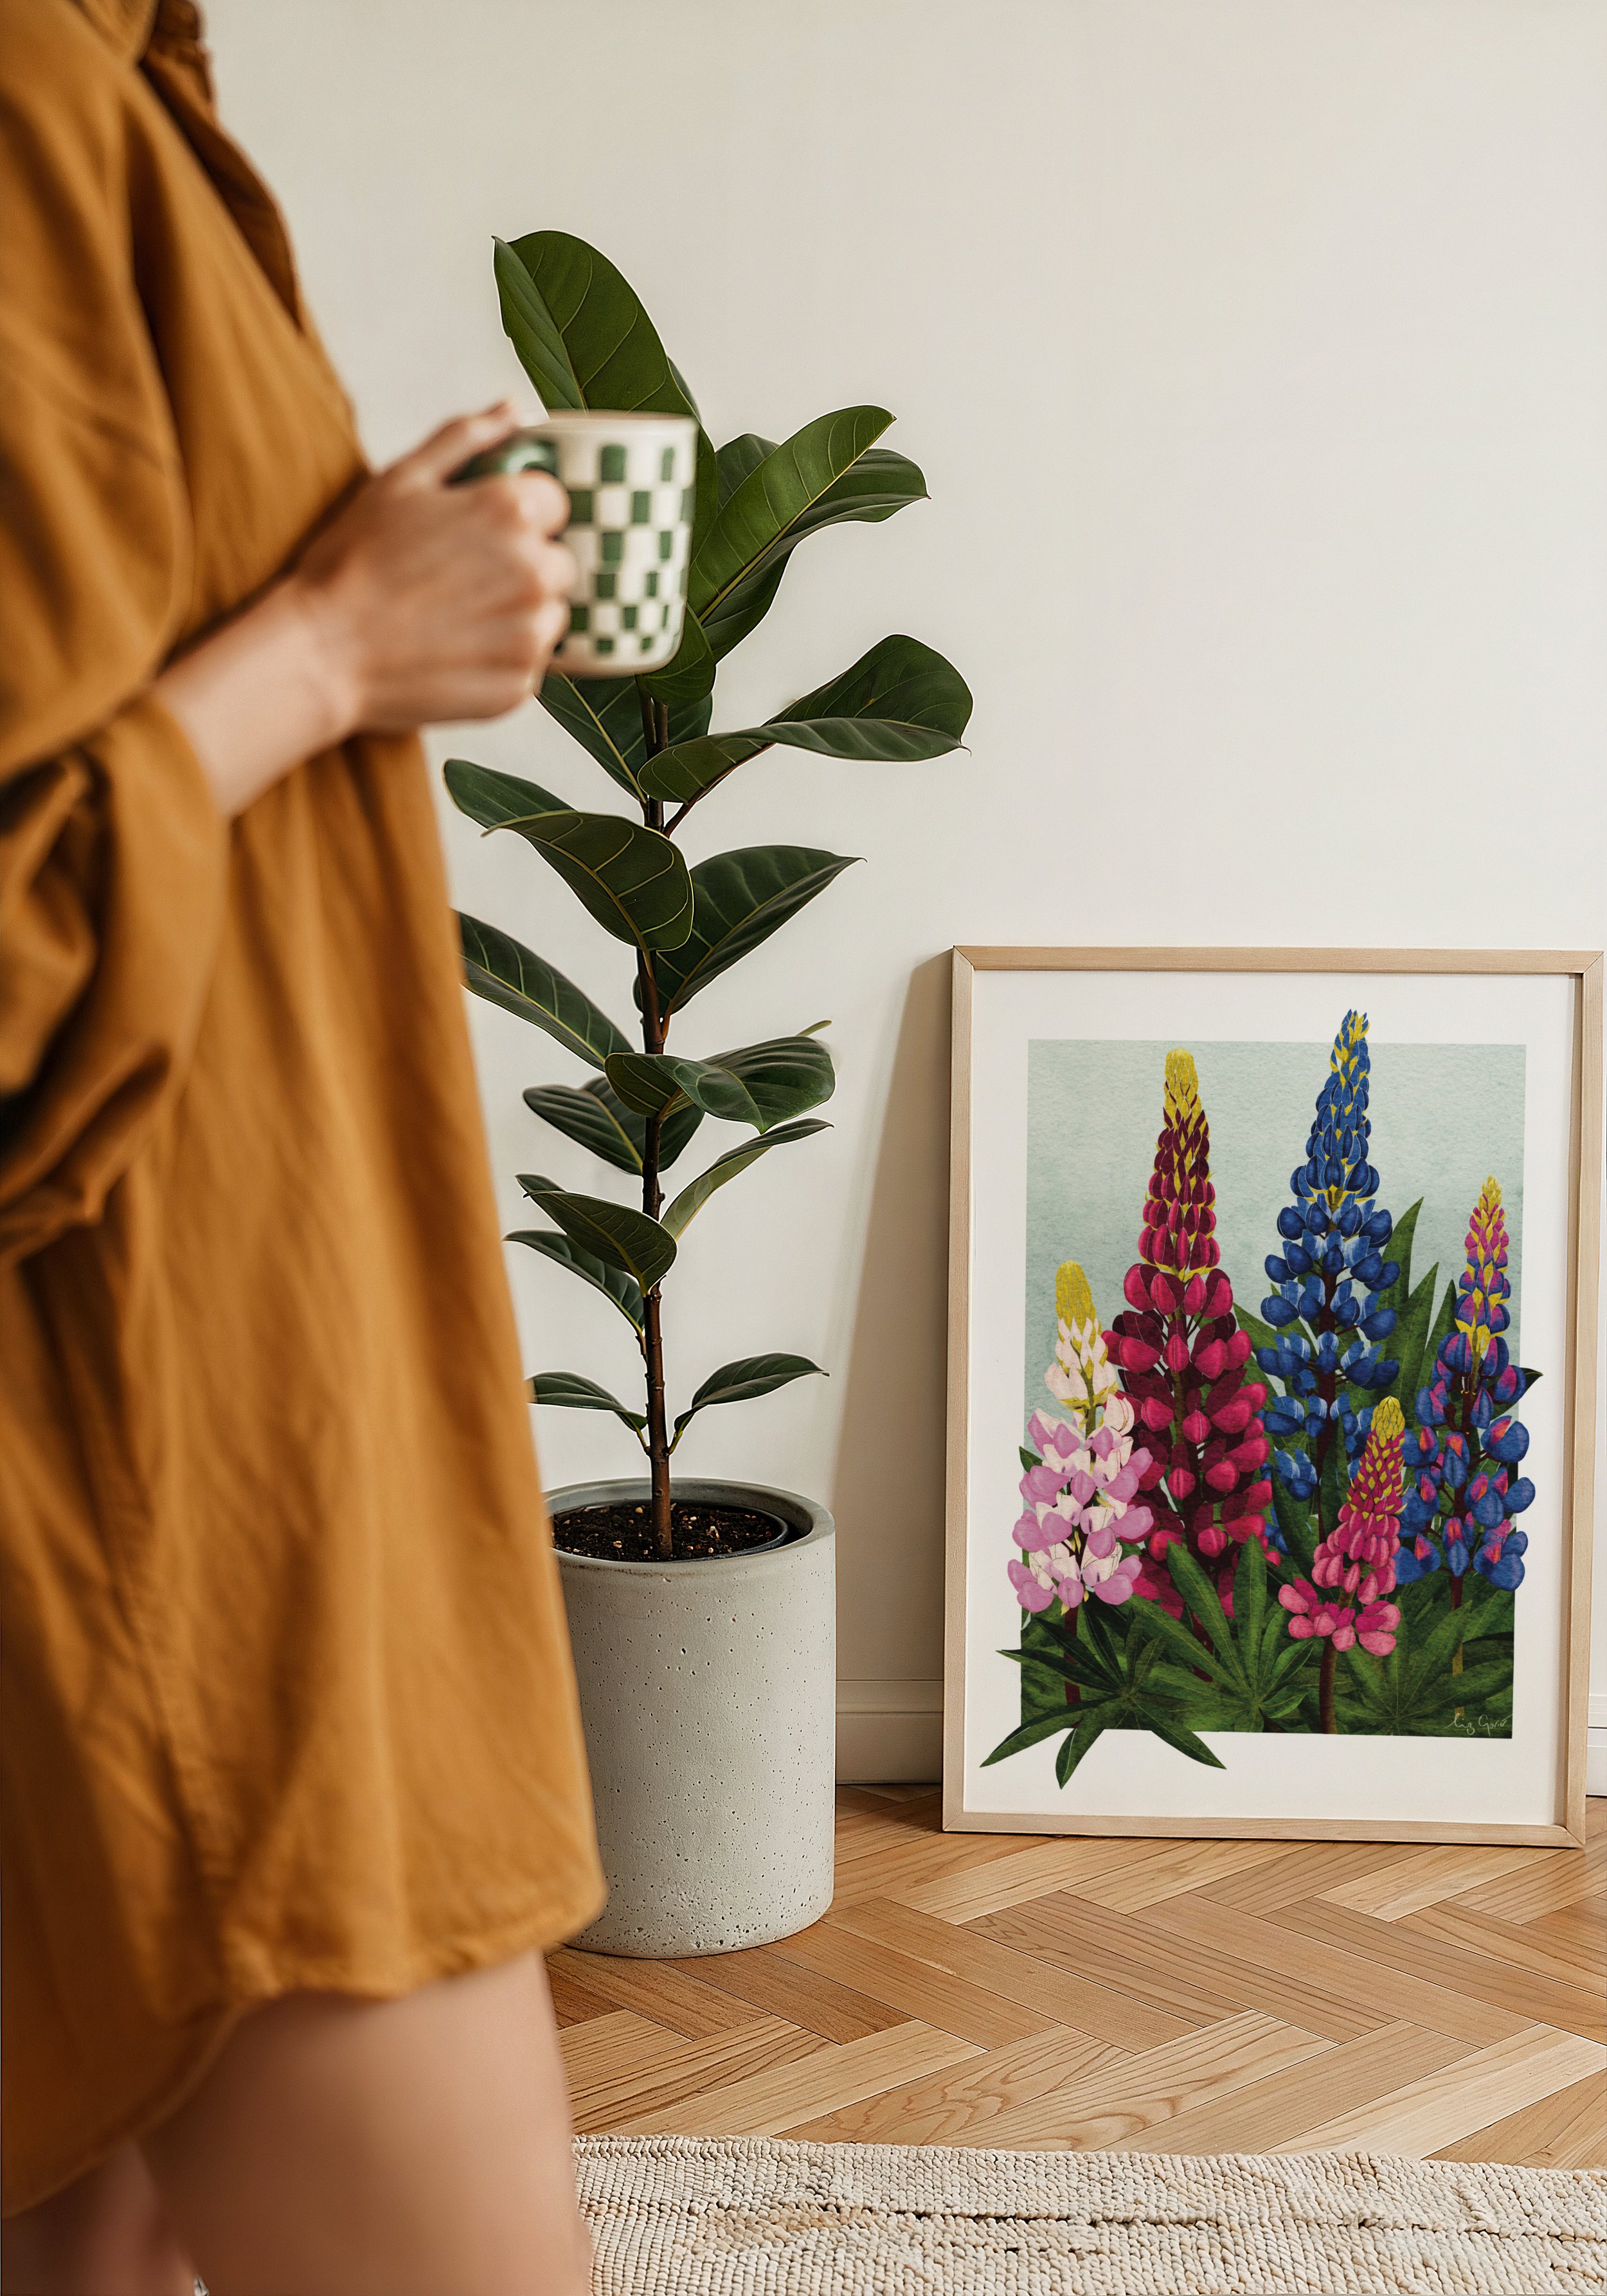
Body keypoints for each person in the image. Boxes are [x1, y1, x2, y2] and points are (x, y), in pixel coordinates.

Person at [1, 3, 608, 2290]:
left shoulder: (104, 77)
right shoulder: (26, 105)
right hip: (165, 1479)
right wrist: (338, 646)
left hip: (179, 1411)